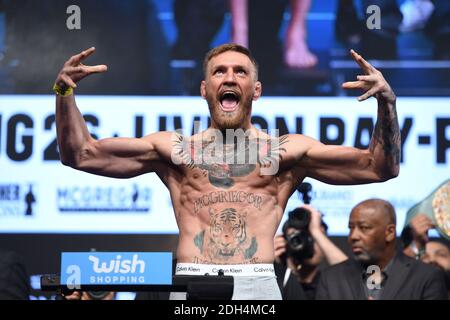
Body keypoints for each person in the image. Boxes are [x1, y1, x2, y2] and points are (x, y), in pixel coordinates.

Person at [54, 43, 400, 299]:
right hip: (192, 280)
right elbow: (81, 155)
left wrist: (387, 104)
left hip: (257, 282)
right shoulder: (174, 151)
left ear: (256, 89)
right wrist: (64, 92)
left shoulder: (286, 152)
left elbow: (379, 167)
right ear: (205, 90)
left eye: (240, 72)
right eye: (219, 71)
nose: (229, 78)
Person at [316, 199, 447, 300]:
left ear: (389, 232)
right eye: (351, 228)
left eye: (364, 228)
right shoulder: (331, 278)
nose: (353, 236)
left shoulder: (426, 277)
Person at [274, 204, 347, 299]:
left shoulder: (331, 284)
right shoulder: (276, 279)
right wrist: (270, 265)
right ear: (284, 241)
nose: (305, 244)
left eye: (312, 238)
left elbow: (349, 275)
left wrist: (316, 231)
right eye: (298, 239)